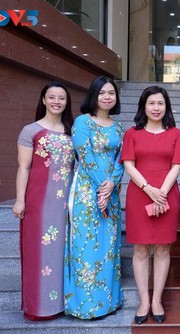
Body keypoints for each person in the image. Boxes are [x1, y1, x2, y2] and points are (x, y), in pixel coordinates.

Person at [120, 86, 180, 324]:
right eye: (151, 103)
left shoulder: (177, 134)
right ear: (143, 107)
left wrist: (162, 193)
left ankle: (157, 299)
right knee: (140, 249)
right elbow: (129, 164)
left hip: (167, 194)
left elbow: (177, 166)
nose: (156, 108)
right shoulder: (132, 134)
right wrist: (149, 189)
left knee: (162, 248)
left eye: (160, 103)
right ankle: (144, 301)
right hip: (139, 194)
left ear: (166, 107)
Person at [13, 81, 75, 321]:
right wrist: (20, 200)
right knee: (38, 252)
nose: (57, 102)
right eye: (52, 97)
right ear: (43, 100)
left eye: (61, 98)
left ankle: (62, 303)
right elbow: (23, 167)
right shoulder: (31, 131)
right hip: (39, 201)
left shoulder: (71, 131)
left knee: (62, 252)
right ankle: (39, 307)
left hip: (66, 202)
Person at [64, 76, 125, 319]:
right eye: (102, 93)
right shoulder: (82, 123)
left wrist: (112, 185)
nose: (107, 97)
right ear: (94, 95)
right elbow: (86, 158)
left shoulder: (118, 127)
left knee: (108, 248)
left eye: (111, 93)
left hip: (110, 193)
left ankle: (108, 302)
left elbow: (122, 160)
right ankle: (86, 306)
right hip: (87, 193)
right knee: (86, 247)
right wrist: (103, 188)